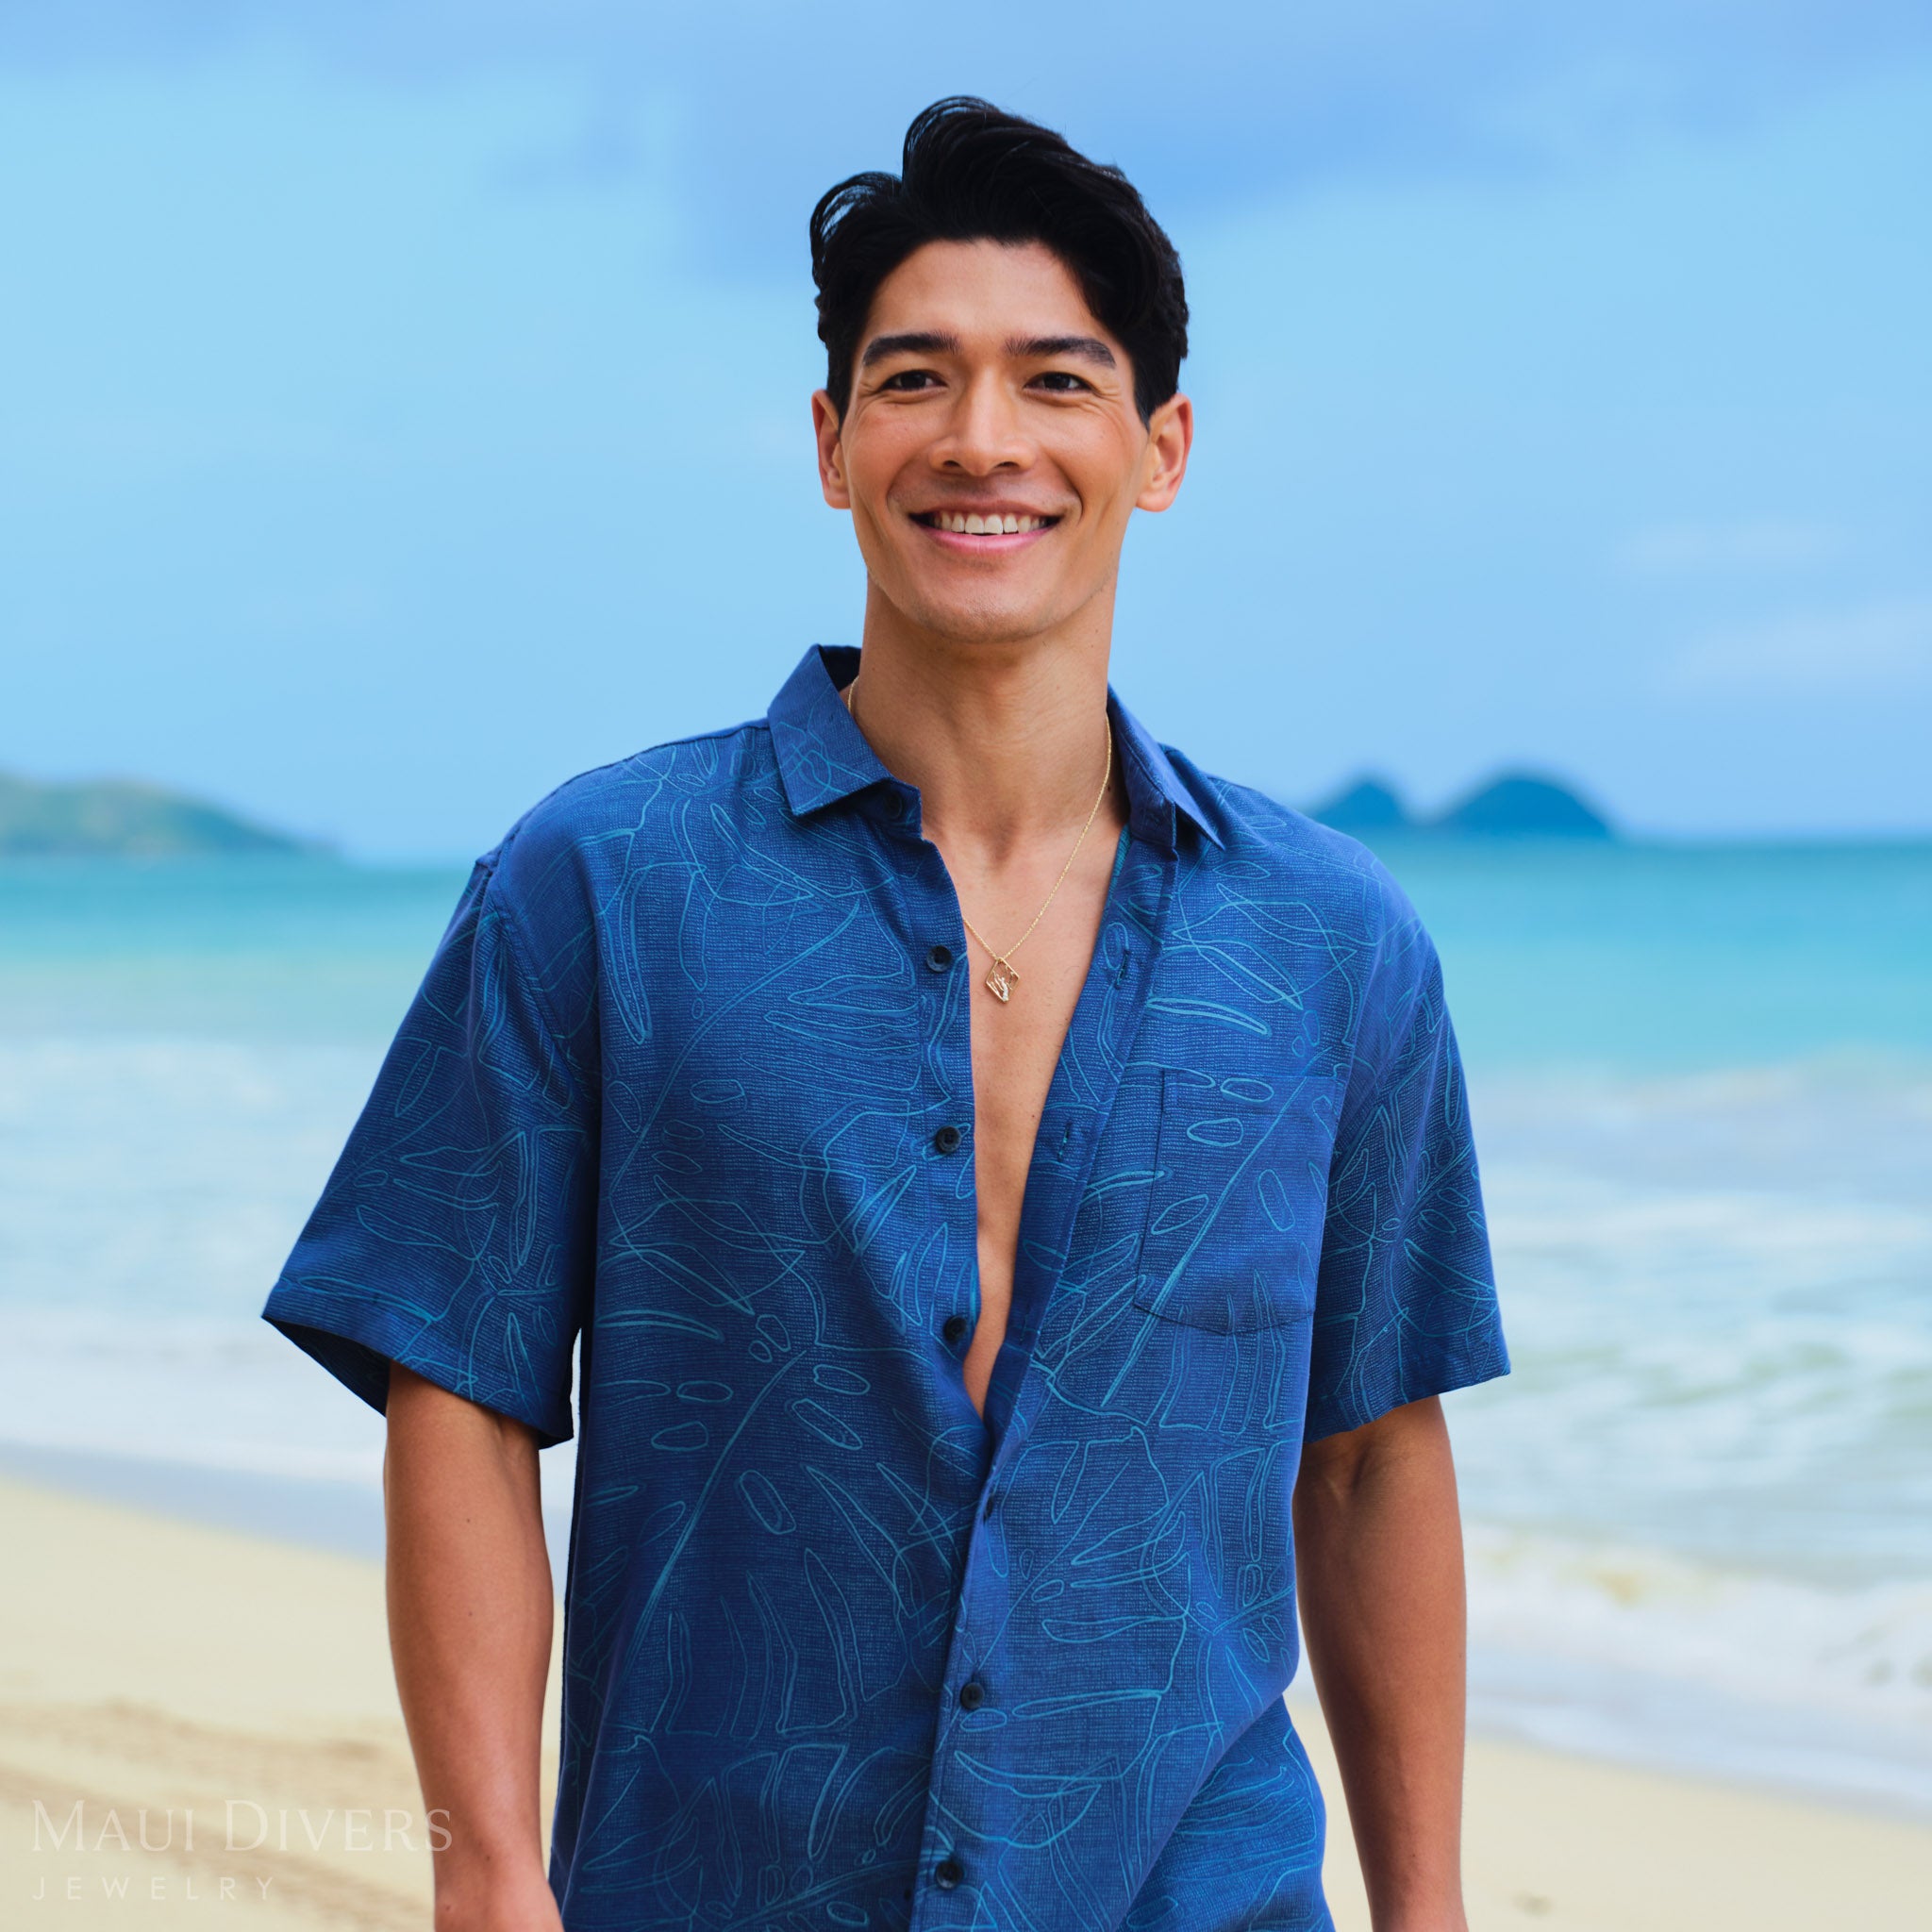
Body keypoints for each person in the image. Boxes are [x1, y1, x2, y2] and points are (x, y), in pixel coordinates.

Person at [261, 95, 1507, 1932]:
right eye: (915, 379)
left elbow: (1376, 1452)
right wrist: (489, 1874)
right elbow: (458, 1383)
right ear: (834, 443)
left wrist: (1429, 1911)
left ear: (1160, 448)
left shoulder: (1331, 944)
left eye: (1056, 381)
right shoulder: (603, 883)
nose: (981, 438)